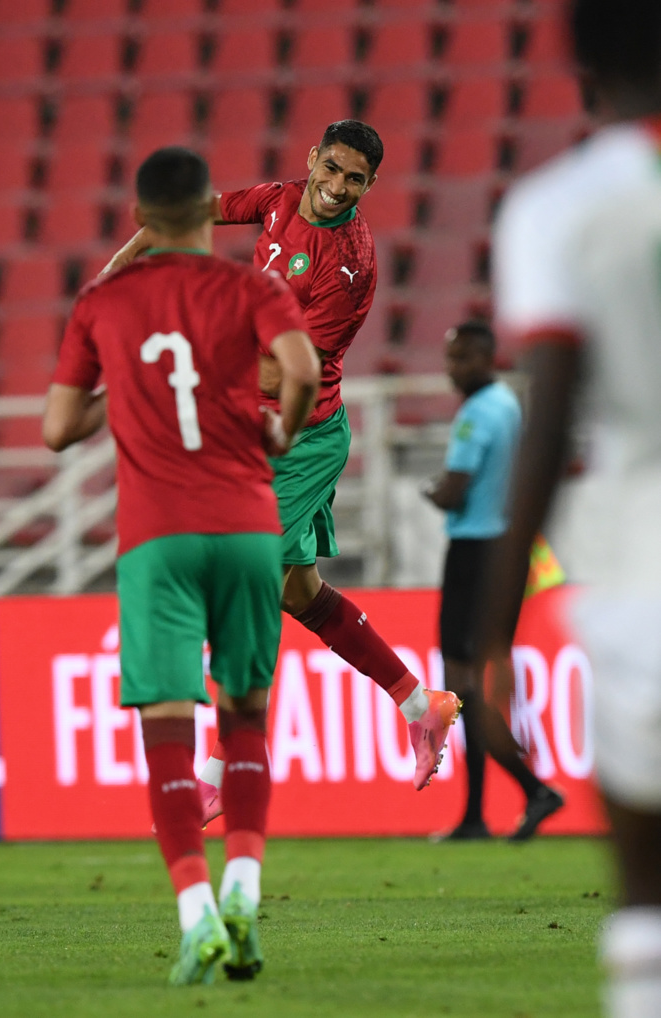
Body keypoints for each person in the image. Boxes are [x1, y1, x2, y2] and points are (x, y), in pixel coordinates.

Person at [105, 120, 461, 823]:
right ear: (312, 160)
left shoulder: (346, 264)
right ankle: (423, 703)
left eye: (353, 180)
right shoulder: (278, 199)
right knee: (299, 593)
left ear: (369, 187)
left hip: (298, 434)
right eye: (330, 169)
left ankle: (218, 771)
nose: (335, 188)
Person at [42, 146, 320, 986]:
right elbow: (302, 371)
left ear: (139, 218)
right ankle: (244, 884)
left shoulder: (105, 302)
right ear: (210, 212)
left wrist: (119, 389)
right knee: (245, 710)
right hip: (243, 525)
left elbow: (57, 430)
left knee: (167, 724)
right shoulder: (254, 288)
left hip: (155, 538)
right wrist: (283, 433)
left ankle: (196, 914)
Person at [485, 1, 661, 1014]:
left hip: (640, 576)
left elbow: (544, 428)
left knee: (646, 883)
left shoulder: (555, 207)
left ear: (577, 55)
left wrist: (488, 637)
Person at [424, 321, 564, 841]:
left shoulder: (477, 414)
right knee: (472, 684)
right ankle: (481, 813)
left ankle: (524, 793)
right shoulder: (507, 405)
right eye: (450, 357)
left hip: (473, 554)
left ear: (486, 357)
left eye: (461, 358)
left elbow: (455, 491)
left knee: (460, 686)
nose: (452, 369)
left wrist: (434, 491)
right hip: (501, 553)